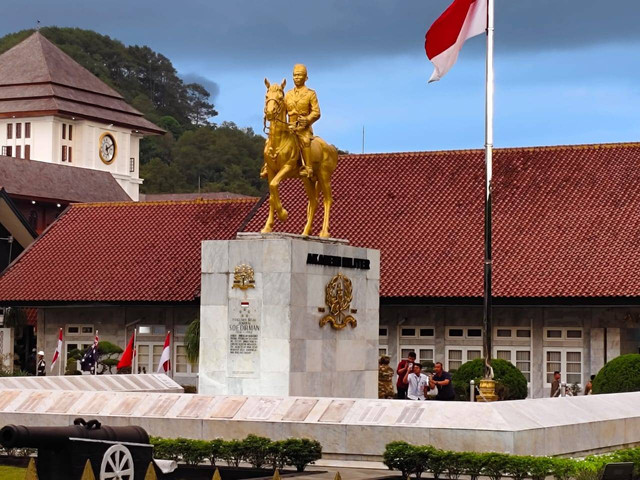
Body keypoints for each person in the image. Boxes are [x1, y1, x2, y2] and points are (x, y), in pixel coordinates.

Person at [260, 64, 320, 179]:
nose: (297, 78)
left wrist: (307, 120)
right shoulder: (288, 94)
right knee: (269, 141)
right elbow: (282, 110)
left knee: (305, 141)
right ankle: (268, 166)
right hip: (289, 127)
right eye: (295, 75)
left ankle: (307, 168)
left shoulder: (310, 94)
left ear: (306, 78)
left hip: (303, 128)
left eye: (300, 75)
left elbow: (316, 112)